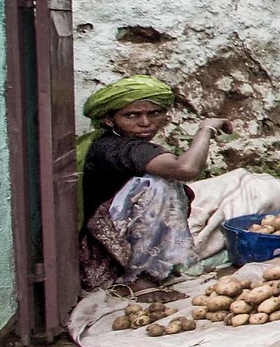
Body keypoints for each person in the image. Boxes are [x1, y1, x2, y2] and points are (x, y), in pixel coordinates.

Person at [77, 76, 225, 288]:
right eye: (131, 115)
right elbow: (186, 168)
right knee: (158, 185)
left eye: (154, 113)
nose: (145, 123)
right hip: (101, 258)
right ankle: (139, 279)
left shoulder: (119, 143)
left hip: (109, 246)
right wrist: (206, 129)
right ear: (110, 120)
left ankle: (153, 268)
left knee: (163, 181)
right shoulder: (119, 148)